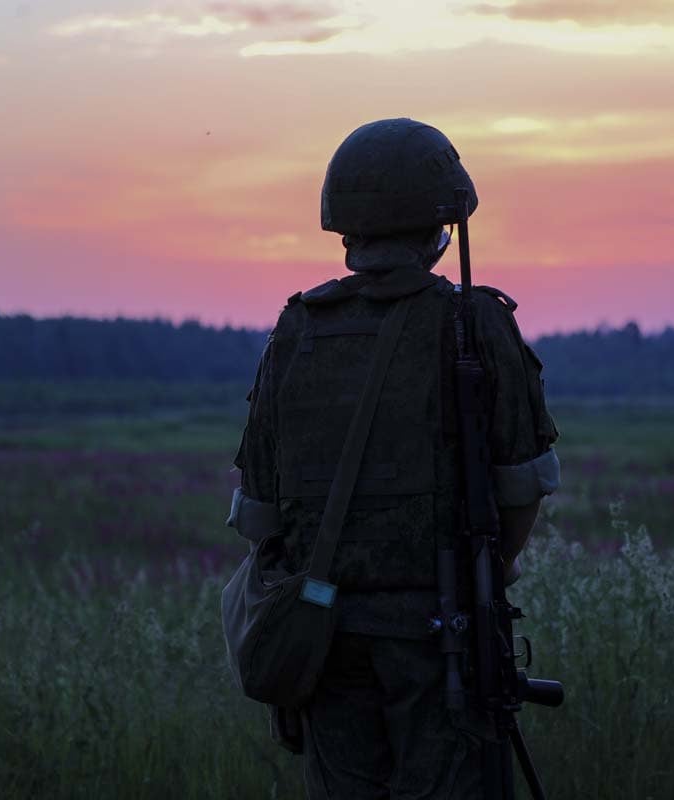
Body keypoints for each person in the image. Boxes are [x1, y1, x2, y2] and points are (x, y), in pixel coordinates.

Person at [227, 118, 560, 799]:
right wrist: (486, 575)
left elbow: (259, 518)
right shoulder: (476, 323)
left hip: (324, 640)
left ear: (346, 226)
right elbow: (522, 492)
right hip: (440, 640)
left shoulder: (297, 331)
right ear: (438, 224)